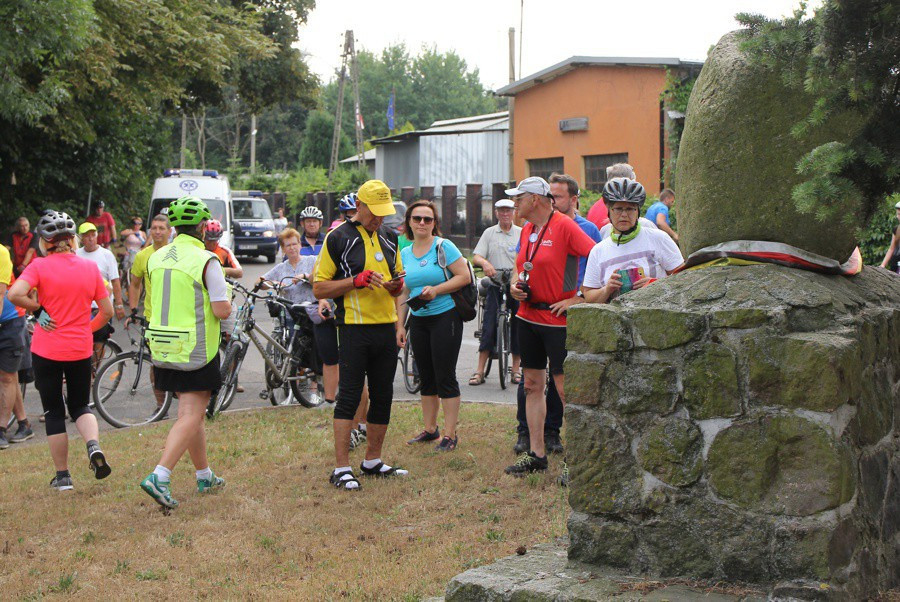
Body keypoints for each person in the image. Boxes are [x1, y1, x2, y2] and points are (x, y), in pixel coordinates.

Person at [8, 211, 114, 490]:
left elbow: (14, 293)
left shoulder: (39, 267)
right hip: (79, 348)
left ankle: (63, 476)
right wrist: (85, 329)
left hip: (47, 349)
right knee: (80, 405)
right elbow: (107, 311)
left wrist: (39, 309)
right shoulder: (89, 268)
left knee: (54, 410)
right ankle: (93, 446)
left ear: (45, 241)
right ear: (73, 240)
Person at [313, 179, 406, 490]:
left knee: (384, 395)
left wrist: (395, 287)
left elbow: (397, 282)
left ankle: (373, 460)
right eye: (374, 212)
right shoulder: (337, 238)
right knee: (350, 396)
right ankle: (341, 468)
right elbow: (320, 287)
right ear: (360, 207)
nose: (379, 218)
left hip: (385, 326)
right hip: (353, 327)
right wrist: (356, 281)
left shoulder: (391, 237)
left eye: (384, 213)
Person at [139, 196, 231, 509]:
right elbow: (221, 310)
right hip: (196, 348)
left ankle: (204, 475)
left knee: (189, 415)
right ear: (204, 226)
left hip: (163, 344)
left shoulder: (156, 256)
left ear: (175, 227)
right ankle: (160, 475)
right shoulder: (206, 260)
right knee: (193, 413)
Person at [504, 177, 596, 476]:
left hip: (556, 321)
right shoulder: (529, 228)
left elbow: (598, 257)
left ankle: (577, 461)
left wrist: (580, 297)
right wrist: (516, 282)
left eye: (519, 198)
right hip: (527, 316)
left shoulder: (566, 226)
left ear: (536, 200)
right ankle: (536, 454)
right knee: (532, 385)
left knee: (564, 389)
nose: (514, 203)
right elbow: (522, 264)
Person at [399, 201, 470, 451]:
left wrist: (436, 291)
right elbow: (404, 290)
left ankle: (450, 434)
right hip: (418, 320)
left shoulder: (443, 246)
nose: (421, 223)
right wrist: (400, 326)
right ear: (409, 221)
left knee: (445, 375)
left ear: (434, 224)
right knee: (425, 375)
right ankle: (430, 429)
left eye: (427, 219)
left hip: (445, 316)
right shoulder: (405, 253)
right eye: (417, 218)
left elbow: (464, 276)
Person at [259, 228, 337, 403]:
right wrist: (272, 283)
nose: (292, 248)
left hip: (312, 312)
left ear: (300, 245)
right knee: (294, 351)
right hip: (290, 314)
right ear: (283, 249)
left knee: (315, 350)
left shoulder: (312, 261)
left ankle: (314, 386)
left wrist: (305, 276)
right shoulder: (281, 268)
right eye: (288, 245)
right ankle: (295, 387)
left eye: (295, 244)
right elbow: (261, 281)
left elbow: (321, 277)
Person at [582, 178, 684, 305]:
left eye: (630, 209)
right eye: (618, 209)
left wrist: (655, 284)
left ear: (638, 211)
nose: (624, 215)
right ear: (609, 211)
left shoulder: (659, 238)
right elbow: (589, 297)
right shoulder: (598, 251)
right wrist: (607, 289)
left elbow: (683, 280)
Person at [470, 199, 522, 386]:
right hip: (494, 282)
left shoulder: (522, 233)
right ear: (496, 213)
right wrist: (485, 264)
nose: (505, 214)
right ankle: (479, 370)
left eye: (508, 210)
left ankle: (516, 370)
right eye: (501, 211)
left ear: (514, 212)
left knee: (519, 323)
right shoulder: (489, 233)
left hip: (515, 283)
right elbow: (477, 256)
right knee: (489, 323)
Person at [126, 214, 171, 411]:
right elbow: (135, 285)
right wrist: (133, 310)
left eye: (162, 228)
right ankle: (160, 405)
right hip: (153, 317)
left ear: (170, 231)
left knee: (178, 362)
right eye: (154, 228)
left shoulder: (176, 252)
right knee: (156, 363)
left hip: (177, 317)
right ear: (149, 231)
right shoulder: (143, 256)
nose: (158, 232)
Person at [0, 244, 33, 448]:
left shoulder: (1, 254)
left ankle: (1, 430)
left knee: (6, 377)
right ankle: (24, 424)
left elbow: (0, 296)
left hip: (10, 322)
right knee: (9, 377)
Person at [879, 200, 900, 273]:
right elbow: (891, 248)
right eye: (898, 214)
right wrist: (882, 265)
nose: (898, 217)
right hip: (895, 265)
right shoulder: (896, 229)